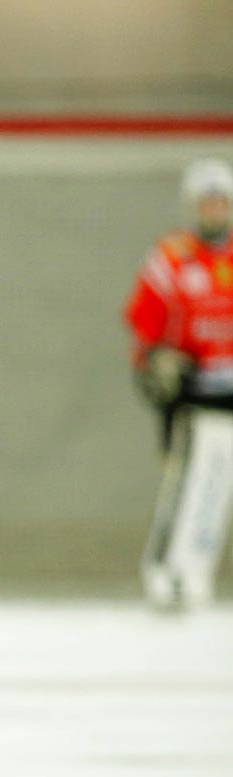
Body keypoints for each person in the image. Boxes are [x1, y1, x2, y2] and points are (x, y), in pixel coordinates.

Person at [123, 157, 233, 610]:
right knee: (182, 478)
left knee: (218, 480)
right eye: (205, 202)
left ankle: (198, 570)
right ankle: (162, 570)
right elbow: (144, 324)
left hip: (230, 391)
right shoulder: (171, 257)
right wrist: (152, 364)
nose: (213, 210)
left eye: (220, 202)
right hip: (189, 391)